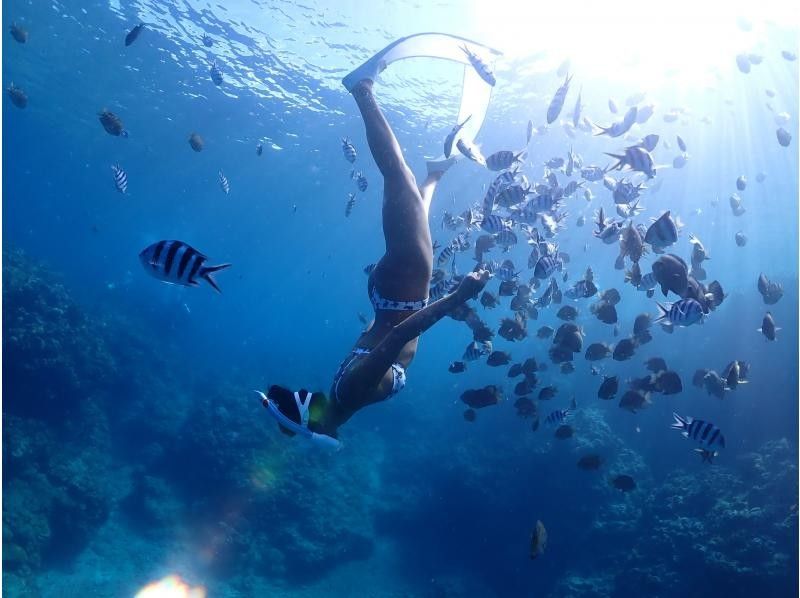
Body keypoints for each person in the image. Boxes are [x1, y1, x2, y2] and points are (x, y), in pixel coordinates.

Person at [258, 51, 490, 448]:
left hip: (403, 293)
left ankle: (362, 89)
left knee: (396, 174)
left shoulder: (350, 393)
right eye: (305, 404)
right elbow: (384, 335)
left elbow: (402, 334)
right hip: (394, 295)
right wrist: (394, 299)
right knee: (413, 213)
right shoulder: (343, 394)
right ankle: (435, 173)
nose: (307, 397)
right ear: (315, 416)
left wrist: (460, 296)